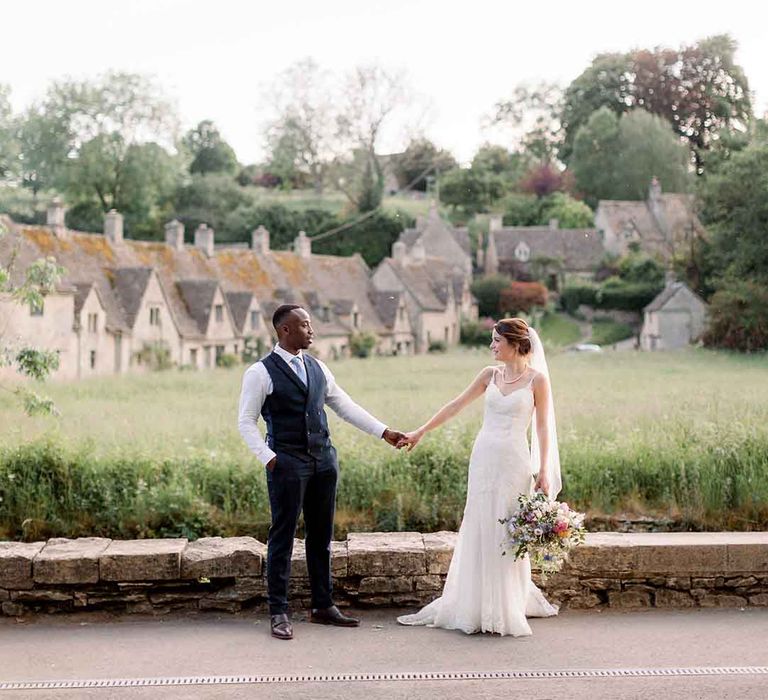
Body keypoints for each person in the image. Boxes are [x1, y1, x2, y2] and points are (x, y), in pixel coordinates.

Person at [238, 304, 406, 640]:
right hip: (286, 463)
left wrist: (383, 431)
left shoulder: (318, 367)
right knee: (282, 538)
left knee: (321, 537)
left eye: (310, 324)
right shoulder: (260, 372)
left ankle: (322, 605)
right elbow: (246, 421)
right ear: (285, 330)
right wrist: (269, 458)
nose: (311, 330)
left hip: (323, 462)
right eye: (304, 325)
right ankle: (279, 612)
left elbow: (344, 405)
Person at [396, 317, 561, 636]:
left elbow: (542, 427)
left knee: (506, 528)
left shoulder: (537, 381)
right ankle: (473, 603)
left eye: (497, 341)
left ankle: (506, 604)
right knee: (479, 523)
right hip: (484, 457)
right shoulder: (489, 375)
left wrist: (543, 469)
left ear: (515, 344)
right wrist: (421, 431)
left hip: (514, 461)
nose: (492, 346)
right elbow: (456, 405)